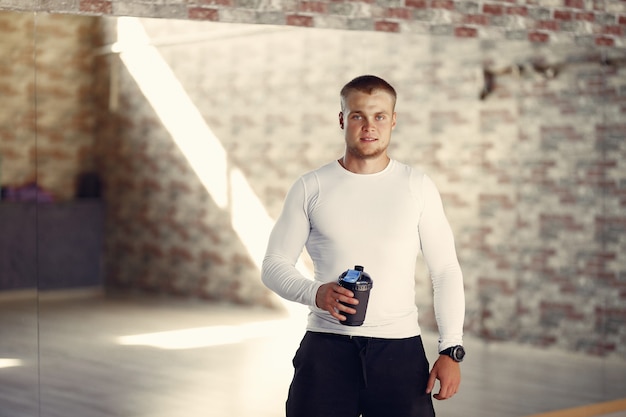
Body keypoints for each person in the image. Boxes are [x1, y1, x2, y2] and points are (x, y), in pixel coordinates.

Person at [261, 74, 465, 417]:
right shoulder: (311, 187)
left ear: (393, 120)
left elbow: (444, 270)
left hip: (400, 353)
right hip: (325, 351)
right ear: (342, 119)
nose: (369, 126)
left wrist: (451, 349)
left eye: (379, 116)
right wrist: (315, 293)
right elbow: (274, 264)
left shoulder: (417, 187)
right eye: (358, 115)